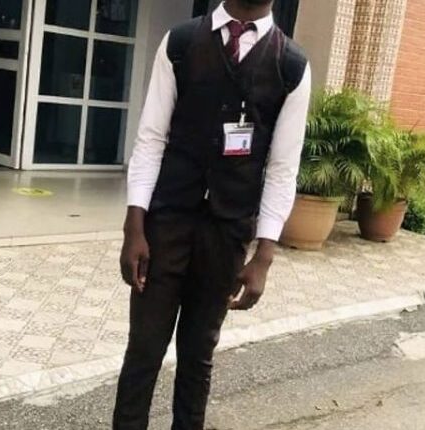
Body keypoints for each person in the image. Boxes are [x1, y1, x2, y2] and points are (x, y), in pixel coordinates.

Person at [114, 0, 311, 428]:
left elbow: (283, 168)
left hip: (227, 233)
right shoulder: (181, 42)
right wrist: (134, 225)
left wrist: (264, 256)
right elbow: (150, 138)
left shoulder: (291, 65)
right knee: (143, 351)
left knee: (198, 356)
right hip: (165, 225)